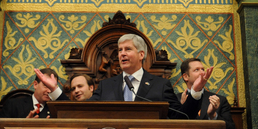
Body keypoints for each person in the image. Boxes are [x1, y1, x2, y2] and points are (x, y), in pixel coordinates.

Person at [58, 34, 211, 119]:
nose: (122, 54)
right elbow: (80, 111)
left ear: (141, 55)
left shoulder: (160, 85)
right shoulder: (106, 86)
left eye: (127, 49)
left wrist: (195, 93)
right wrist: (54, 91)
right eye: (120, 50)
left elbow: (183, 117)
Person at [178, 57, 237, 129]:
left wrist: (213, 116)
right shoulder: (176, 100)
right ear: (186, 76)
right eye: (197, 70)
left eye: (203, 69)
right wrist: (183, 108)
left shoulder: (219, 100)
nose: (202, 73)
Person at [0, 67, 68, 119]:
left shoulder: (55, 109)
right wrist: (22, 126)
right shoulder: (13, 104)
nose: (49, 91)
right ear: (35, 84)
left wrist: (54, 88)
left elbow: (72, 112)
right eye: (46, 86)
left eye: (51, 88)